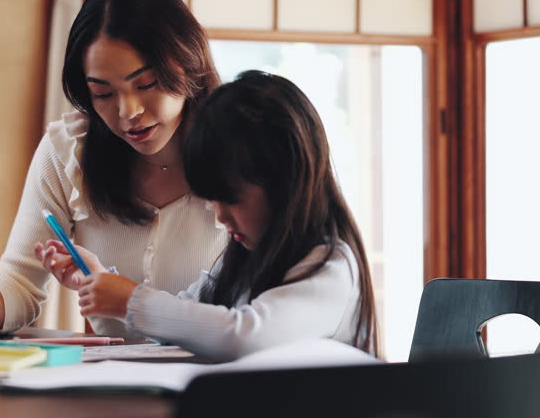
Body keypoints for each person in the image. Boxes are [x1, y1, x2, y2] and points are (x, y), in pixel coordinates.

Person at [0, 0, 227, 336]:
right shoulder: (70, 151)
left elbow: (259, 311)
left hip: (226, 369)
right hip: (112, 371)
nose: (128, 111)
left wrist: (130, 300)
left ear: (188, 61)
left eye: (146, 84)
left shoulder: (241, 151)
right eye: (103, 94)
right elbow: (19, 279)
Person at [40, 71, 378, 361]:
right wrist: (101, 281)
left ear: (285, 182)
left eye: (230, 199)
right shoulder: (246, 258)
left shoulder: (331, 267)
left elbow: (242, 336)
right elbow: (186, 319)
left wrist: (131, 301)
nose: (222, 217)